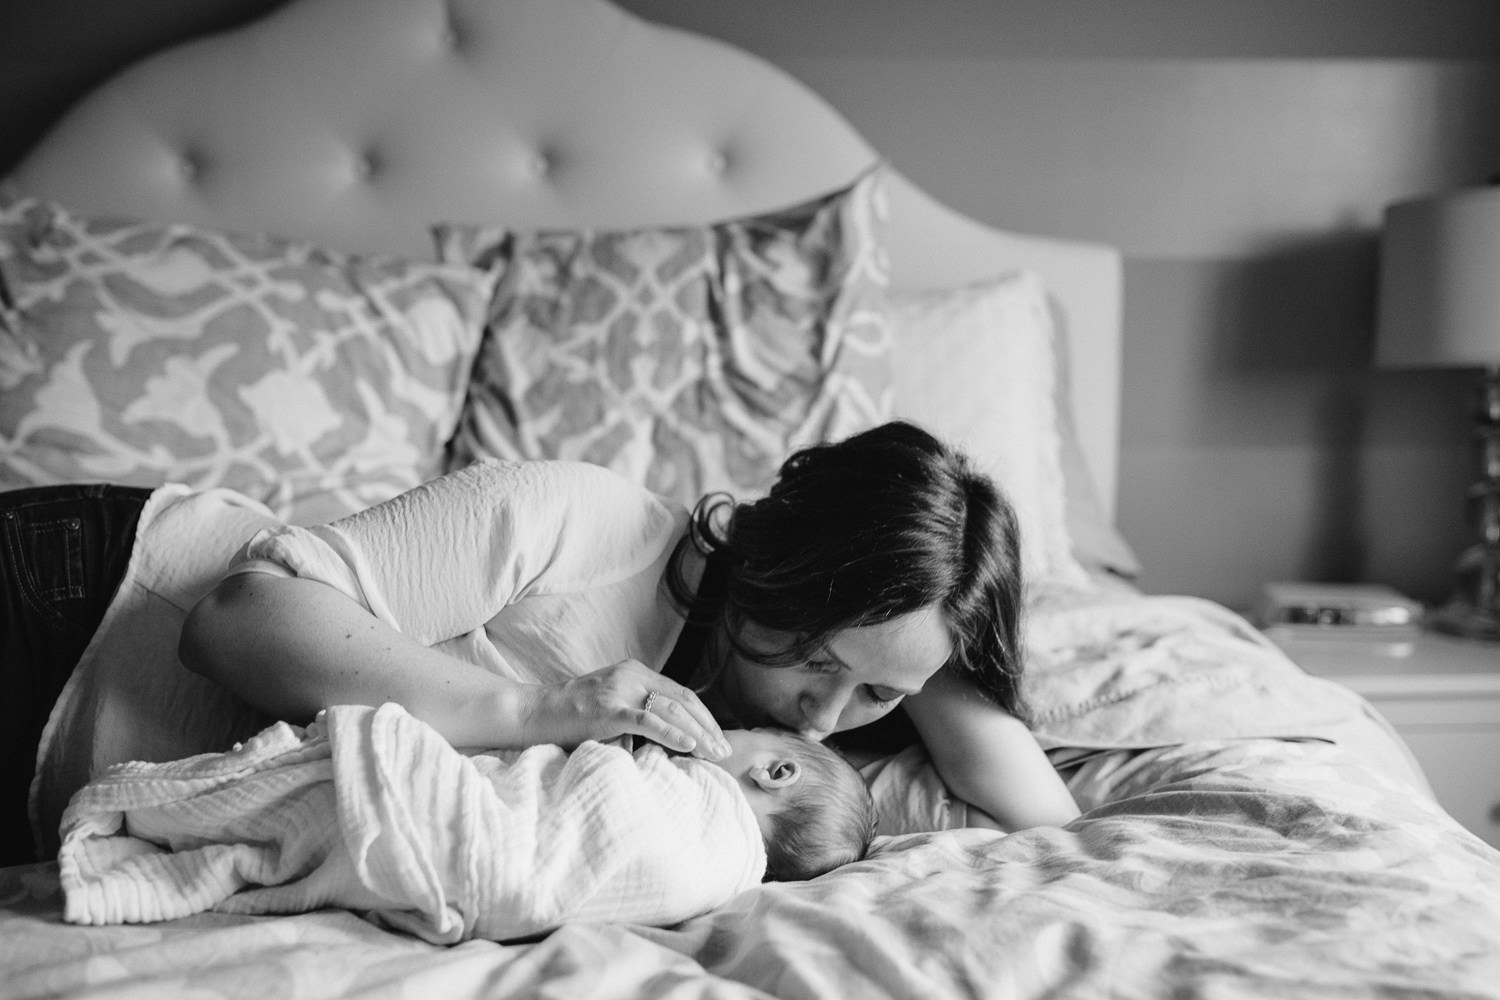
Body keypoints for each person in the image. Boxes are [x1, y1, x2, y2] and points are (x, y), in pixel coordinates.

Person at [3, 420, 1080, 866]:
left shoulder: (772, 748)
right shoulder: (582, 524)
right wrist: (538, 710)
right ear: (781, 559)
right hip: (74, 605)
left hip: (69, 806)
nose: (820, 715)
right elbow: (236, 622)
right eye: (813, 658)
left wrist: (917, 657)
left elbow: (1047, 820)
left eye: (870, 699)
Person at [60, 706, 873, 941]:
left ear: (773, 771)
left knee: (284, 794)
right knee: (284, 850)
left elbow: (597, 793)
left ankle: (144, 815)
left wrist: (617, 742)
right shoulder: (725, 877)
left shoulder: (697, 798)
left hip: (453, 831)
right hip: (448, 892)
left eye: (744, 736)